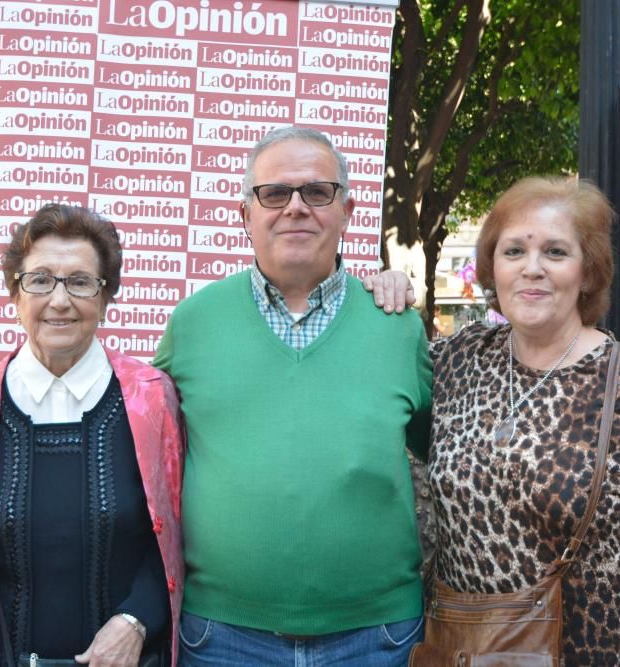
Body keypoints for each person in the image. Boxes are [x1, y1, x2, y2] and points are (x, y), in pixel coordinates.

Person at [153, 126, 432, 666]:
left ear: (347, 211)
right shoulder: (192, 324)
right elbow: (145, 456)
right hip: (223, 638)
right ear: (245, 215)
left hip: (378, 638)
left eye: (317, 192)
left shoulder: (397, 326)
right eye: (275, 193)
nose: (296, 208)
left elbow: (447, 456)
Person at [427, 176, 620, 665]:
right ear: (491, 268)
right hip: (465, 649)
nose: (532, 269)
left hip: (602, 651)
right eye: (513, 252)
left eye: (554, 252)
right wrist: (385, 290)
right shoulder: (454, 362)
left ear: (588, 273)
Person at [0, 205, 184, 667]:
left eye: (81, 281)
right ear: (15, 293)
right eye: (41, 280)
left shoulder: (151, 402)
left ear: (106, 297)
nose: (60, 300)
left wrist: (136, 620)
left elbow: (175, 538)